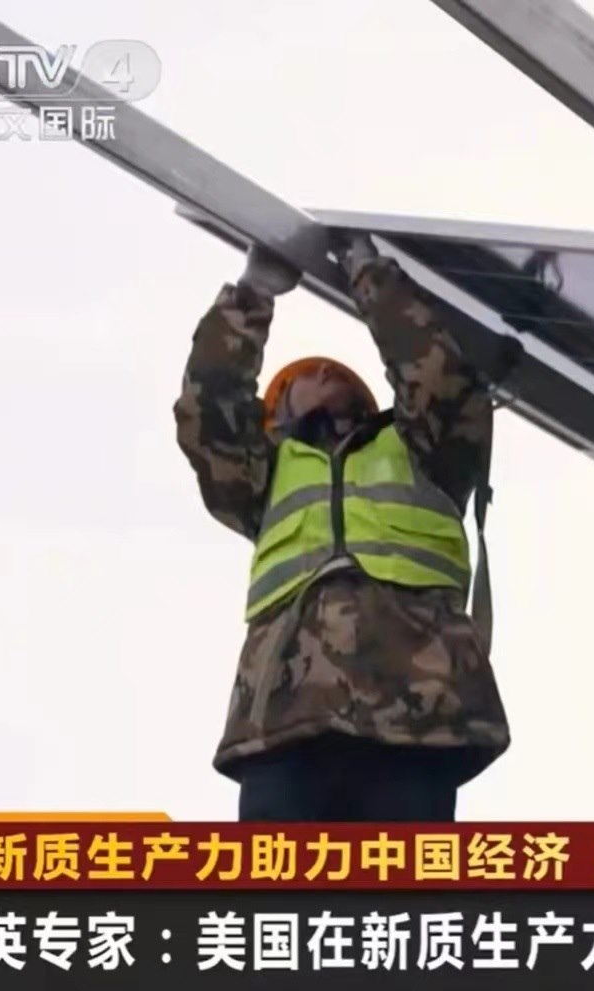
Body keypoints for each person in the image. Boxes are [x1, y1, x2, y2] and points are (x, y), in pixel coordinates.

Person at [174, 235, 507, 822]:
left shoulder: (425, 451)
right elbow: (209, 407)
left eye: (337, 373)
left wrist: (371, 277)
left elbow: (437, 376)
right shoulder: (260, 477)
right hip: (284, 723)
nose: (325, 373)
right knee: (279, 883)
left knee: (398, 883)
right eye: (307, 375)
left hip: (415, 716)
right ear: (275, 412)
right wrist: (252, 293)